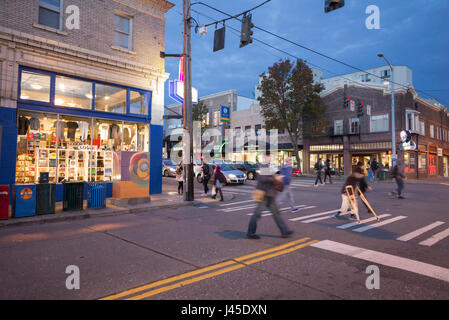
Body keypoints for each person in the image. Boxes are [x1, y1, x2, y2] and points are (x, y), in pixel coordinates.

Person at [247, 160, 294, 239]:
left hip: (270, 195)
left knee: (276, 214)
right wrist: (275, 179)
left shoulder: (268, 168)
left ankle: (284, 231)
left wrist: (276, 177)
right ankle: (250, 233)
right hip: (264, 196)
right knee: (257, 214)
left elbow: (269, 178)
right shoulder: (264, 168)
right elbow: (264, 179)